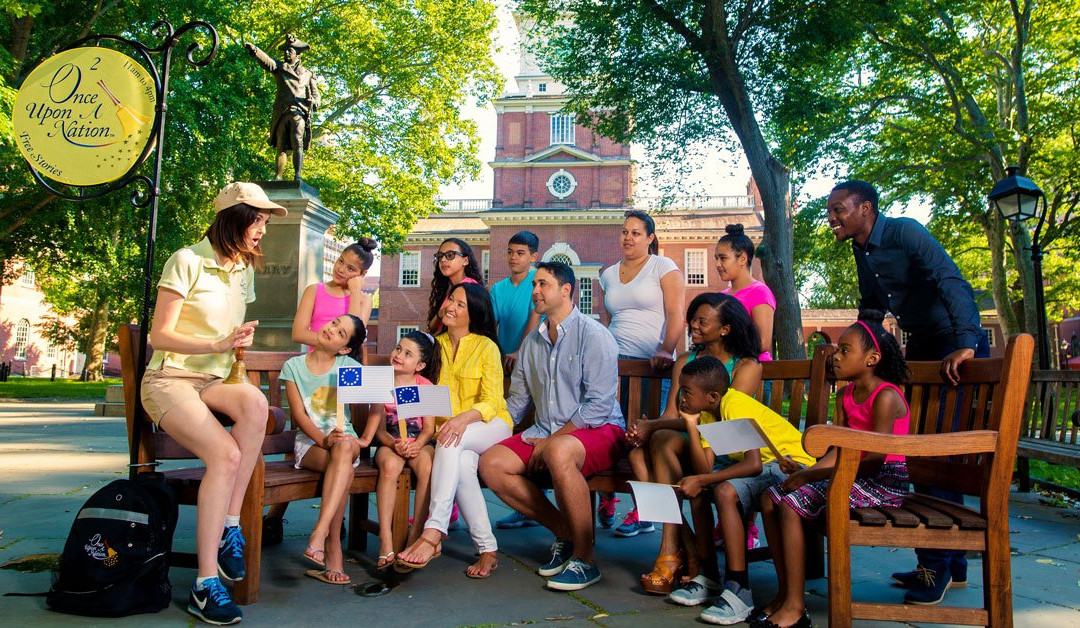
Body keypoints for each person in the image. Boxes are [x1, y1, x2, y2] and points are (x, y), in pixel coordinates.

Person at [828, 179, 988, 604]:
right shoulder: (861, 251)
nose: (832, 218)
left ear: (865, 208)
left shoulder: (905, 231)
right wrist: (855, 359)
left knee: (932, 450)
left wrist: (966, 341)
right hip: (919, 344)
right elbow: (873, 310)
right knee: (925, 447)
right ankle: (952, 566)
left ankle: (934, 566)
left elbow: (950, 280)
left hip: (954, 343)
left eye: (838, 209)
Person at [140, 181, 286, 625]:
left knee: (257, 406)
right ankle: (206, 585)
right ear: (233, 217)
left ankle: (229, 526)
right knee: (224, 455)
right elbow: (158, 335)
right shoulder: (186, 260)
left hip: (212, 379)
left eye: (264, 221)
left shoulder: (244, 271)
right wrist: (219, 340)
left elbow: (229, 343)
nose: (262, 229)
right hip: (169, 378)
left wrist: (235, 345)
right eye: (256, 220)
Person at [755, 316, 911, 628]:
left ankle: (796, 608)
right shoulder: (845, 395)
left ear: (871, 359)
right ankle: (787, 593)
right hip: (850, 473)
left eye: (844, 350)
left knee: (791, 503)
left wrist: (811, 476)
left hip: (883, 480)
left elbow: (876, 457)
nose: (835, 357)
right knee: (772, 496)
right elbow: (838, 449)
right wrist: (807, 471)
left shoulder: (886, 396)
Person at [480, 262, 625, 592]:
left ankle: (586, 561)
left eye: (543, 284)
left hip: (601, 429)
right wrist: (480, 428)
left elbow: (599, 405)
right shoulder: (532, 343)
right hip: (547, 431)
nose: (534, 291)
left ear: (566, 290)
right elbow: (516, 404)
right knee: (492, 463)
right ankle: (565, 531)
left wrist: (553, 440)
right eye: (534, 284)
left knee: (559, 452)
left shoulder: (594, 335)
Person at [625, 293, 763, 594]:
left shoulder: (746, 366)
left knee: (657, 442)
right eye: (692, 319)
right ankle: (681, 547)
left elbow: (722, 424)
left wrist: (654, 426)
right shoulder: (687, 361)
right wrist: (648, 428)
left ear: (725, 328)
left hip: (723, 451)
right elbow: (674, 414)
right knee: (640, 453)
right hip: (685, 449)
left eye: (702, 321)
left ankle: (672, 552)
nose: (693, 325)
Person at [670, 356, 815, 624]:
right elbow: (704, 466)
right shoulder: (708, 414)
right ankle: (712, 577)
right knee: (701, 490)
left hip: (792, 467)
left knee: (724, 491)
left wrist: (702, 479)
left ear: (712, 395)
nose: (681, 397)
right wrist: (691, 425)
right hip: (768, 468)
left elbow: (753, 464)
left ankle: (738, 590)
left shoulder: (733, 405)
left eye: (687, 392)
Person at [263, 238, 378, 544]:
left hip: (339, 382)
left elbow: (354, 341)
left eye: (351, 268)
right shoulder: (315, 290)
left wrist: (356, 295)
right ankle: (301, 523)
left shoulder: (363, 300)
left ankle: (328, 526)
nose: (342, 269)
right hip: (311, 373)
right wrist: (328, 344)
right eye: (341, 262)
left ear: (361, 274)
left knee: (336, 446)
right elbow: (299, 332)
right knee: (315, 442)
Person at [395, 283, 511, 578]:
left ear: (473, 313)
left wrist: (462, 420)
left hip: (490, 424)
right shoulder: (434, 346)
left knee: (449, 440)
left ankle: (433, 533)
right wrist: (411, 434)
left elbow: (493, 401)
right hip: (451, 432)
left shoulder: (486, 346)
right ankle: (488, 549)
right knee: (460, 465)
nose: (450, 307)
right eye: (451, 300)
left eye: (460, 304)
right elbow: (415, 384)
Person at [599, 210, 685, 533]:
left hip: (653, 365)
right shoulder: (608, 274)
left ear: (650, 238)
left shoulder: (663, 267)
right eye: (624, 232)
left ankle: (643, 511)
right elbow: (609, 320)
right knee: (609, 430)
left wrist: (666, 348)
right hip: (614, 365)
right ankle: (609, 496)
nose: (628, 238)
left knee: (643, 435)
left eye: (636, 233)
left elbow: (677, 313)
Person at [281, 315, 367, 586]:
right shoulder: (294, 366)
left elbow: (378, 400)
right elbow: (299, 415)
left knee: (344, 447)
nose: (331, 330)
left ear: (344, 348)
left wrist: (364, 439)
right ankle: (330, 545)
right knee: (342, 464)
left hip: (347, 440)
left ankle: (320, 532)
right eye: (334, 323)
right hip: (311, 443)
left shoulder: (348, 366)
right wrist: (323, 440)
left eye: (341, 333)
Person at [359, 331, 441, 569]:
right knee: (390, 466)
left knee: (427, 466)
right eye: (398, 349)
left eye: (407, 354)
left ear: (420, 365)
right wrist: (394, 444)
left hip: (418, 442)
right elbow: (380, 430)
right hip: (390, 442)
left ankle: (416, 534)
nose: (399, 355)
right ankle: (385, 536)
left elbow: (428, 428)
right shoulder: (381, 382)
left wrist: (417, 444)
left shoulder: (425, 385)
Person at [490, 230, 543, 530]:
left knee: (535, 430)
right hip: (506, 368)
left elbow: (537, 319)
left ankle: (537, 499)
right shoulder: (498, 288)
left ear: (533, 256)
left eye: (520, 252)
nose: (513, 257)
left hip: (534, 364)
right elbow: (490, 324)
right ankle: (522, 503)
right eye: (510, 251)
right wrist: (497, 355)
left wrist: (519, 350)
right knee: (512, 428)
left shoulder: (538, 281)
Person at [243, 34, 320, 181]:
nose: (286, 53)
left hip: (299, 112)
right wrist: (255, 50)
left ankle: (297, 175)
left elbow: (316, 95)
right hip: (282, 112)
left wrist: (314, 102)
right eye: (285, 50)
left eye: (289, 50)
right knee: (281, 146)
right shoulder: (279, 67)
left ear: (298, 54)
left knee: (298, 142)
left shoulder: (308, 74)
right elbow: (266, 61)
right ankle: (278, 176)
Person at [716, 224, 775, 361]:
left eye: (723, 258)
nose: (717, 264)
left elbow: (763, 342)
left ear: (742, 259)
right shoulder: (721, 296)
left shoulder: (760, 292)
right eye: (716, 258)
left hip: (756, 372)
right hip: (724, 371)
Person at [426, 238, 485, 334]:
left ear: (465, 261)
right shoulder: (452, 289)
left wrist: (438, 316)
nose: (443, 260)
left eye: (450, 255)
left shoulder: (469, 289)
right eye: (440, 256)